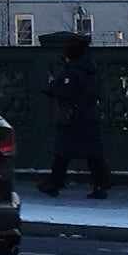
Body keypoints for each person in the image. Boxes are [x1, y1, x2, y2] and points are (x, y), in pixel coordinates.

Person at [39, 34, 111, 199]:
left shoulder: (73, 71)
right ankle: (100, 185)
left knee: (62, 152)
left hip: (73, 117)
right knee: (93, 154)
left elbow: (63, 91)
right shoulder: (91, 69)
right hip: (89, 116)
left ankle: (55, 183)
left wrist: (52, 85)